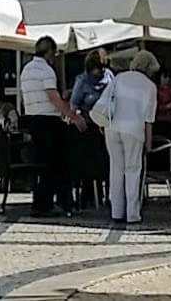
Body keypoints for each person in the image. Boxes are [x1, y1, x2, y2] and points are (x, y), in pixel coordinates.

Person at [19, 35, 76, 217]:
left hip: (32, 119)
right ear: (50, 51)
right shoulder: (46, 70)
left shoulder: (26, 69)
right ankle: (50, 203)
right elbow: (52, 96)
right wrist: (71, 116)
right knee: (53, 164)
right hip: (48, 121)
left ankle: (41, 202)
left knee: (41, 163)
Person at [106, 49, 160, 224]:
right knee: (133, 170)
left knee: (116, 169)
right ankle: (133, 213)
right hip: (134, 129)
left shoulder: (119, 77)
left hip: (112, 127)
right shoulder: (150, 86)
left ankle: (116, 212)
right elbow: (148, 119)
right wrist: (149, 143)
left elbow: (107, 101)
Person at [69, 50, 113, 207]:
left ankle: (110, 195)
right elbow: (74, 105)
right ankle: (88, 195)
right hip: (88, 128)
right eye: (96, 68)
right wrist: (78, 117)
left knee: (108, 162)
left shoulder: (109, 76)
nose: (99, 71)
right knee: (89, 163)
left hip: (107, 126)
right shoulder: (82, 81)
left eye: (101, 67)